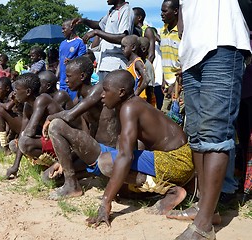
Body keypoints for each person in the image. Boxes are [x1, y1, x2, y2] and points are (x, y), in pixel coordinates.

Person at [171, 1, 251, 239]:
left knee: (215, 132)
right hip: (191, 55)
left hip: (222, 44)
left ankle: (204, 225)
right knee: (196, 133)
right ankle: (207, 208)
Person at [75, 69, 193, 227]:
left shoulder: (129, 108)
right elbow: (129, 146)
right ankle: (162, 189)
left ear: (121, 92)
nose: (102, 95)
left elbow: (125, 157)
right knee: (117, 161)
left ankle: (170, 191)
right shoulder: (132, 104)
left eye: (106, 90)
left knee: (106, 162)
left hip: (177, 162)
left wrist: (105, 202)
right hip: (180, 159)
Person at [43, 57, 120, 199]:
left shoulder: (99, 90)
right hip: (95, 151)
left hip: (110, 152)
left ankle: (72, 185)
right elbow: (85, 135)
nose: (66, 80)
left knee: (56, 125)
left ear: (82, 76)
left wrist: (49, 118)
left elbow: (69, 116)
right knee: (48, 176)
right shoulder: (79, 100)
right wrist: (63, 162)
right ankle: (77, 177)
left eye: (69, 76)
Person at [5, 73, 65, 178]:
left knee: (24, 142)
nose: (14, 93)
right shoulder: (28, 105)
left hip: (65, 142)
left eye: (17, 90)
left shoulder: (42, 99)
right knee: (15, 145)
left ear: (28, 92)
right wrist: (15, 166)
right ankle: (49, 162)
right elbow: (22, 133)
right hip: (54, 140)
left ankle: (59, 162)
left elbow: (30, 132)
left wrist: (24, 137)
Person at [72, 0, 134, 81]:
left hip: (115, 63)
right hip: (104, 62)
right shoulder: (112, 11)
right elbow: (100, 25)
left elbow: (123, 37)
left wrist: (97, 32)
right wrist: (84, 21)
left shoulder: (126, 10)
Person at [159, 0, 181, 114]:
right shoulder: (163, 31)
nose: (161, 14)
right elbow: (165, 58)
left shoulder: (181, 32)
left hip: (180, 86)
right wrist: (164, 79)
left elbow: (184, 61)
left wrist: (176, 83)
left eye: (165, 11)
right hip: (168, 86)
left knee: (178, 121)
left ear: (176, 11)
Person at [58, 19, 87, 100]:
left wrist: (72, 62)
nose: (62, 31)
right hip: (62, 82)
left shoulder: (80, 42)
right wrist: (56, 76)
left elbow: (83, 61)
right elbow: (60, 62)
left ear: (71, 27)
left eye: (64, 28)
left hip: (73, 82)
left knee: (73, 105)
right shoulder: (62, 43)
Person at [0, 77, 22, 155]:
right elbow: (9, 123)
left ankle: (5, 147)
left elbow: (8, 107)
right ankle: (4, 144)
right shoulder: (5, 98)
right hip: (17, 127)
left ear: (7, 88)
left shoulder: (13, 95)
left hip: (23, 127)